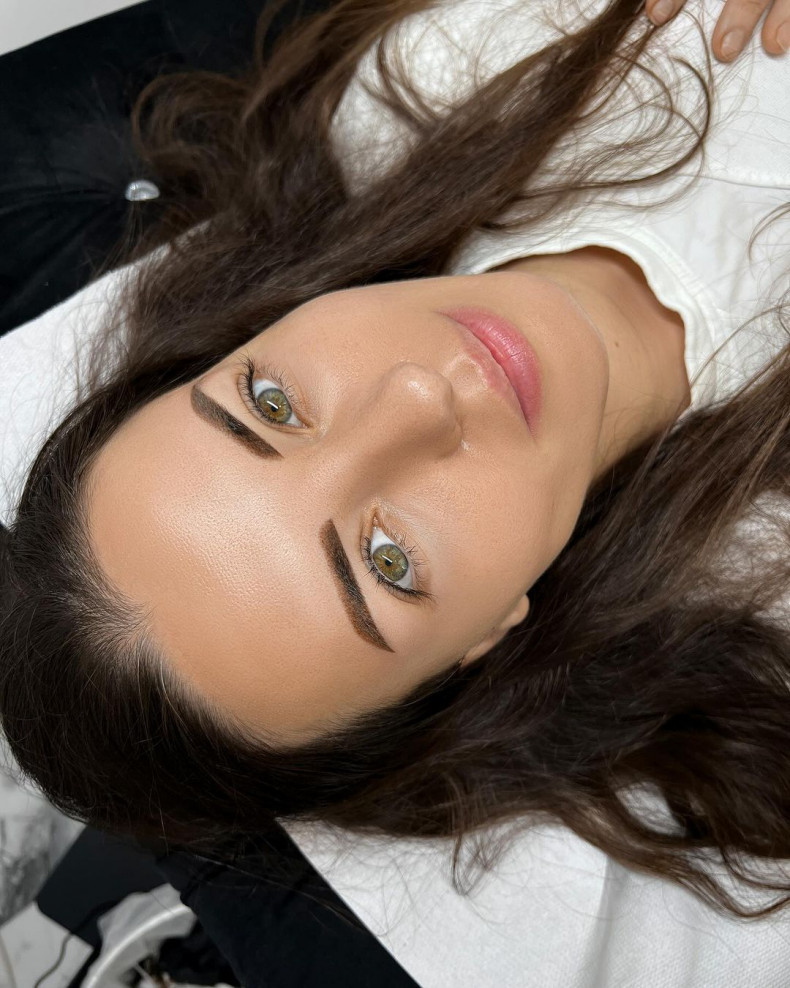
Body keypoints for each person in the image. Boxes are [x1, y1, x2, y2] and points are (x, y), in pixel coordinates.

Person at [1, 0, 789, 930]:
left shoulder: (444, 78)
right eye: (388, 562)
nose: (416, 398)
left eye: (269, 403)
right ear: (484, 640)